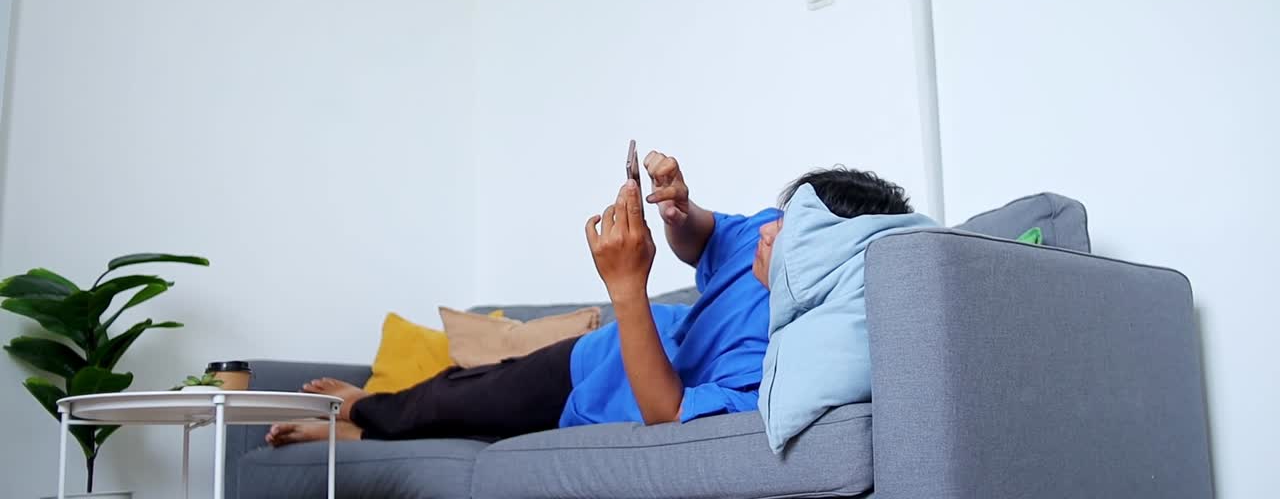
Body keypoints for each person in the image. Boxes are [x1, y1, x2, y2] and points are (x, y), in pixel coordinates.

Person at [266, 151, 912, 446]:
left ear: (825, 253)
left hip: (617, 381)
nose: (768, 229)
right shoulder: (758, 243)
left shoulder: (780, 356)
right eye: (779, 214)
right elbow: (705, 237)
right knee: (456, 392)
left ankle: (360, 425)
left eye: (790, 229)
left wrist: (625, 285)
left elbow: (668, 411)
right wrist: (679, 208)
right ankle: (368, 412)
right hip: (592, 359)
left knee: (459, 408)